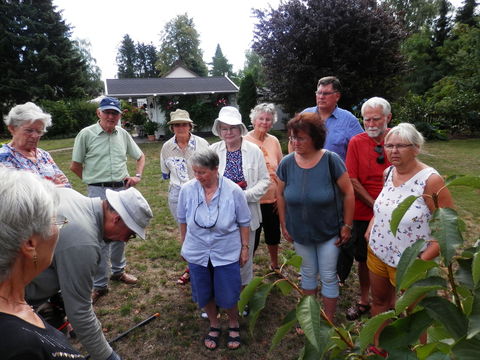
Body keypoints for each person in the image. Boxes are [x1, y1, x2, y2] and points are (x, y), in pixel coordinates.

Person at [26, 186, 153, 360]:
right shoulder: (84, 242)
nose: (125, 240)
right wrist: (108, 357)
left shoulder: (71, 195)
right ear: (116, 219)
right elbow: (80, 313)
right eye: (130, 234)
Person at [366, 123, 453, 351]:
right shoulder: (388, 173)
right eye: (389, 146)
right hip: (378, 252)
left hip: (411, 261)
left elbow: (446, 228)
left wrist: (421, 262)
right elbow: (385, 206)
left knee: (417, 313)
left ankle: (420, 353)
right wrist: (371, 225)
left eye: (400, 146)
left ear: (416, 148)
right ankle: (379, 347)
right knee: (380, 302)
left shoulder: (430, 181)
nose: (393, 151)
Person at [277, 112, 354, 323]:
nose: (294, 142)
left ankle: (328, 320)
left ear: (315, 138)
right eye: (292, 137)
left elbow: (348, 193)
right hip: (300, 232)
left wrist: (347, 225)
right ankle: (310, 318)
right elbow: (280, 194)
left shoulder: (331, 160)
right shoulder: (286, 163)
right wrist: (284, 223)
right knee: (308, 274)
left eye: (300, 138)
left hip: (330, 231)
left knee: (329, 275)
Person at [0, 168, 84, 359]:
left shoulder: (15, 309)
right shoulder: (20, 349)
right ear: (30, 243)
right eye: (54, 219)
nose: (59, 226)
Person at [70, 96, 146, 302]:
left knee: (121, 233)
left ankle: (119, 271)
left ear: (120, 115)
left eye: (115, 113)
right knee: (100, 239)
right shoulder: (86, 134)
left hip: (122, 189)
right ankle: (100, 284)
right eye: (107, 112)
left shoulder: (123, 134)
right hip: (98, 193)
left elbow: (140, 156)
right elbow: (75, 165)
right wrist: (92, 182)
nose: (111, 116)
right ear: (99, 113)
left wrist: (137, 176)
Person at [177, 149, 251, 350]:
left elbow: (245, 222)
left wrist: (245, 248)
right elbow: (182, 219)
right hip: (197, 249)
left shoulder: (234, 190)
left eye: (202, 172)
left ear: (215, 169)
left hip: (226, 249)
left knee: (228, 292)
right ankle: (214, 324)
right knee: (204, 290)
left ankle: (233, 323)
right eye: (195, 172)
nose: (198, 176)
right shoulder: (187, 190)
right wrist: (185, 245)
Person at [340, 97, 392, 321]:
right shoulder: (356, 142)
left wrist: (387, 207)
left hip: (393, 211)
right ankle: (364, 300)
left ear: (388, 118)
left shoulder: (398, 140)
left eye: (376, 119)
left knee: (391, 257)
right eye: (366, 119)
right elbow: (352, 178)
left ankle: (391, 303)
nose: (370, 124)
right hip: (364, 210)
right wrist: (375, 205)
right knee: (364, 258)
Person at [210, 106, 270, 288]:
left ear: (240, 129)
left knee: (244, 257)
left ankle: (242, 296)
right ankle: (223, 293)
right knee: (220, 256)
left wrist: (244, 196)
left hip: (246, 212)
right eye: (224, 128)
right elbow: (205, 179)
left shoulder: (253, 151)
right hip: (219, 214)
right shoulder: (213, 150)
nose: (228, 132)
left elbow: (265, 181)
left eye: (232, 128)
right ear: (219, 130)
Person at [160, 109, 209, 285]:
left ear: (190, 126)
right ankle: (191, 268)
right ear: (172, 127)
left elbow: (211, 170)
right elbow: (165, 172)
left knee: (203, 229)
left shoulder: (203, 144)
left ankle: (204, 266)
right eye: (176, 125)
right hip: (177, 193)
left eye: (184, 124)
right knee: (186, 231)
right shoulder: (166, 147)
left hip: (201, 191)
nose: (180, 127)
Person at [244, 103, 283, 270]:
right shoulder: (244, 141)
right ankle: (246, 267)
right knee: (251, 236)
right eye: (261, 118)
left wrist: (280, 196)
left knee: (273, 235)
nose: (264, 122)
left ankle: (274, 264)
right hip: (252, 200)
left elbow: (281, 169)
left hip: (272, 199)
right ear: (253, 120)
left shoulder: (274, 141)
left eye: (268, 119)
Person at [0, 102, 71, 187]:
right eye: (29, 130)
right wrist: (52, 186)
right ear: (12, 129)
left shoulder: (44, 155)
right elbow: (13, 195)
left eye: (39, 131)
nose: (35, 136)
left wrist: (60, 185)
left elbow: (66, 184)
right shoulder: (3, 157)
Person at [300, 76, 363, 160]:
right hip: (307, 171)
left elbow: (362, 147)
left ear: (337, 96)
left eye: (326, 93)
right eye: (319, 93)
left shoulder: (349, 120)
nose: (321, 97)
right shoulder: (304, 115)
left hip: (336, 172)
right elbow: (292, 142)